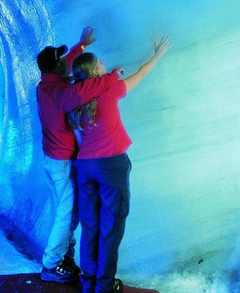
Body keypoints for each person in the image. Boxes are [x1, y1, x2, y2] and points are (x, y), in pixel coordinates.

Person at [68, 36, 172, 293]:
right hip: (111, 165)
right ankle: (104, 286)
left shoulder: (74, 100)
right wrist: (158, 54)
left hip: (85, 167)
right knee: (111, 228)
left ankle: (88, 283)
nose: (104, 62)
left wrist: (111, 73)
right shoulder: (110, 89)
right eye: (100, 62)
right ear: (95, 71)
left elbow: (79, 139)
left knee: (90, 227)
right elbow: (142, 73)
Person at [36, 26, 124, 284]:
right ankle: (51, 265)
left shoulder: (47, 84)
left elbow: (69, 63)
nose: (67, 60)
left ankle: (63, 256)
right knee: (67, 214)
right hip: (62, 163)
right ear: (56, 67)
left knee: (69, 212)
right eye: (62, 59)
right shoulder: (61, 93)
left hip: (55, 160)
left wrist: (82, 45)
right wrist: (112, 76)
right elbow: (87, 90)